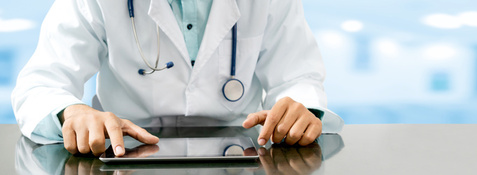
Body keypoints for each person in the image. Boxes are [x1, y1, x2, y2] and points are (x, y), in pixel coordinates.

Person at [11, 0, 343, 157]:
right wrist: (71, 112)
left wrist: (302, 109)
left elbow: (298, 76)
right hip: (125, 155)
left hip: (240, 158)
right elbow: (42, 83)